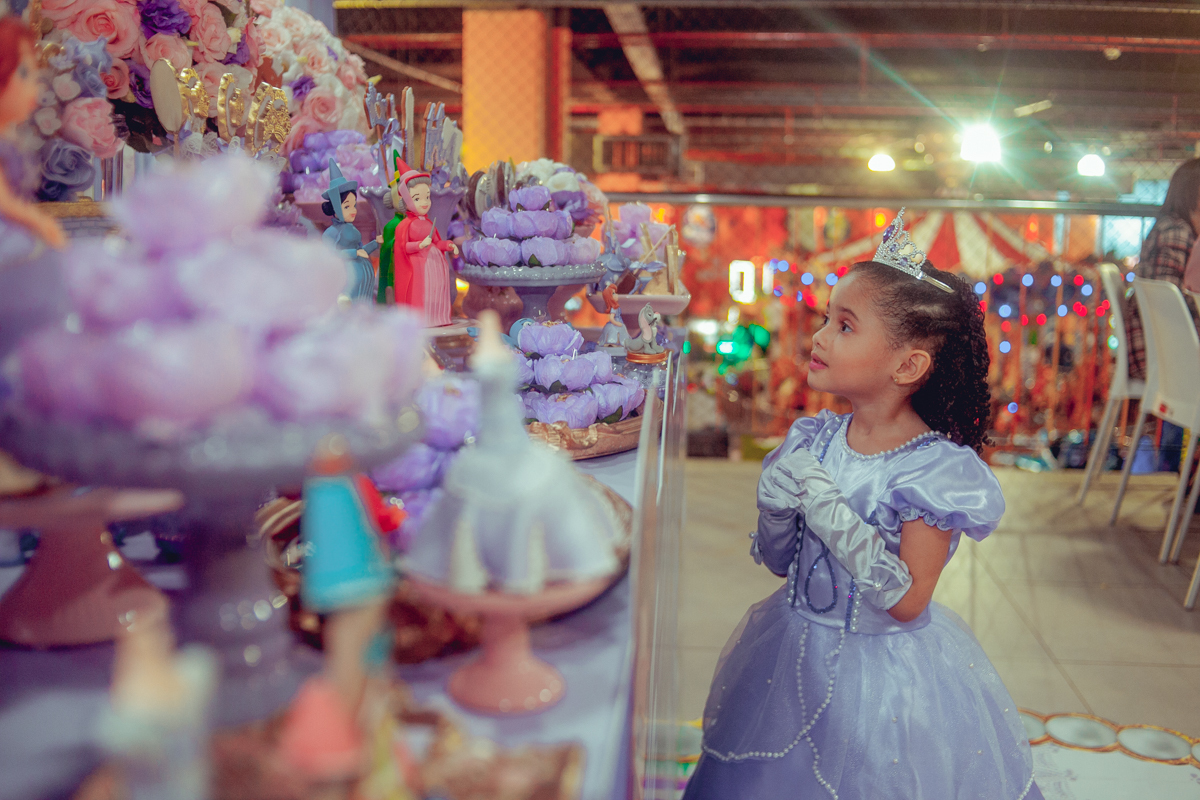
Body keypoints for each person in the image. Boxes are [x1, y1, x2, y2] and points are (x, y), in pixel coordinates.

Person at [683, 211, 1041, 800]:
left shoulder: (932, 471)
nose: (819, 336)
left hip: (880, 678)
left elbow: (907, 601)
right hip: (790, 645)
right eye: (827, 318)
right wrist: (775, 514)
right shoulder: (811, 438)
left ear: (908, 365)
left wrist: (831, 514)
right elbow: (780, 564)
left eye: (844, 326)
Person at [1124, 159, 1200, 472]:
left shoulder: (1167, 227)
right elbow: (1177, 311)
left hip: (1159, 353)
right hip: (1162, 357)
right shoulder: (1179, 235)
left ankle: (1180, 473)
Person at [378, 153, 459, 327]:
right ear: (406, 200)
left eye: (427, 197)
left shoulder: (428, 222)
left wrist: (448, 245)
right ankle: (421, 320)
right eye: (417, 198)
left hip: (435, 267)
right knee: (420, 295)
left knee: (434, 294)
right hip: (418, 268)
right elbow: (401, 247)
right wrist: (418, 245)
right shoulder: (404, 225)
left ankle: (436, 317)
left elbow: (437, 242)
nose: (424, 202)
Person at [321, 159, 381, 303]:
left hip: (364, 280)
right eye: (347, 206)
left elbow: (362, 250)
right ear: (335, 206)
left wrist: (374, 243)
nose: (353, 211)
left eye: (353, 205)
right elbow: (331, 255)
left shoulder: (352, 228)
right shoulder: (331, 233)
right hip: (348, 278)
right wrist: (353, 253)